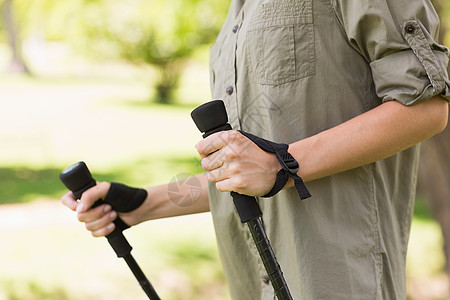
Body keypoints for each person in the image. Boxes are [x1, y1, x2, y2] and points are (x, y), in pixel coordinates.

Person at [62, 0, 450, 298]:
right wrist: (147, 203)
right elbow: (249, 171)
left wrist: (282, 165)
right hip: (251, 281)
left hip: (338, 281)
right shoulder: (237, 12)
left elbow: (426, 108)